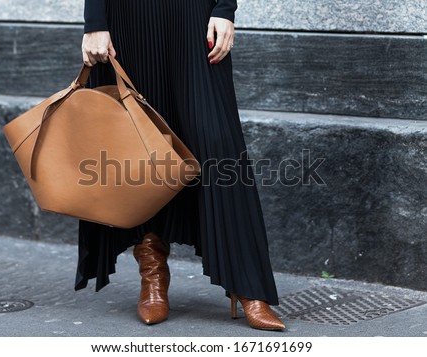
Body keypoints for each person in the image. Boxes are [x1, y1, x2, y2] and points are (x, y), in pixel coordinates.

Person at [76, 0, 285, 331]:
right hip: (128, 18)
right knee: (138, 144)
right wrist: (94, 22)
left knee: (218, 143)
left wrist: (225, 9)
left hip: (194, 14)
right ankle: (152, 268)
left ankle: (247, 284)